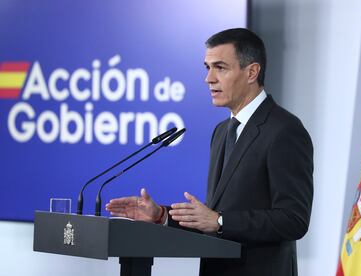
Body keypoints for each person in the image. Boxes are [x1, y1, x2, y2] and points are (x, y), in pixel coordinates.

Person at [106, 28, 313, 276]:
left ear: (252, 72)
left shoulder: (284, 130)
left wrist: (220, 222)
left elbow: (293, 219)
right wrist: (161, 215)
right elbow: (215, 217)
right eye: (207, 67)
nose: (209, 78)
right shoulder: (222, 131)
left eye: (220, 67)